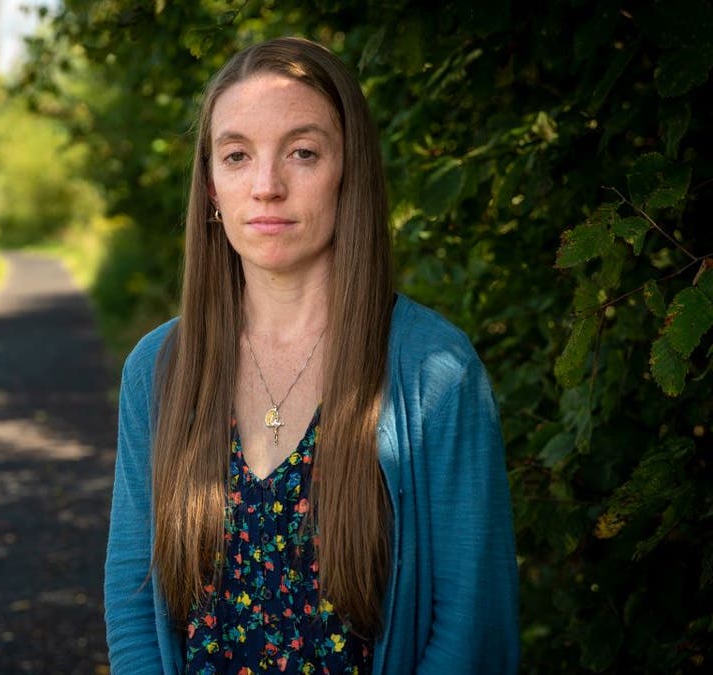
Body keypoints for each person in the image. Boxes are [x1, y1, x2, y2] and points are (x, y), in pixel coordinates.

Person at [104, 37, 519, 674]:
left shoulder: (436, 373)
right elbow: (135, 598)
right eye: (237, 156)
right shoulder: (158, 369)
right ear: (212, 189)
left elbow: (468, 629)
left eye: (302, 152)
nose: (267, 187)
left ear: (347, 172)